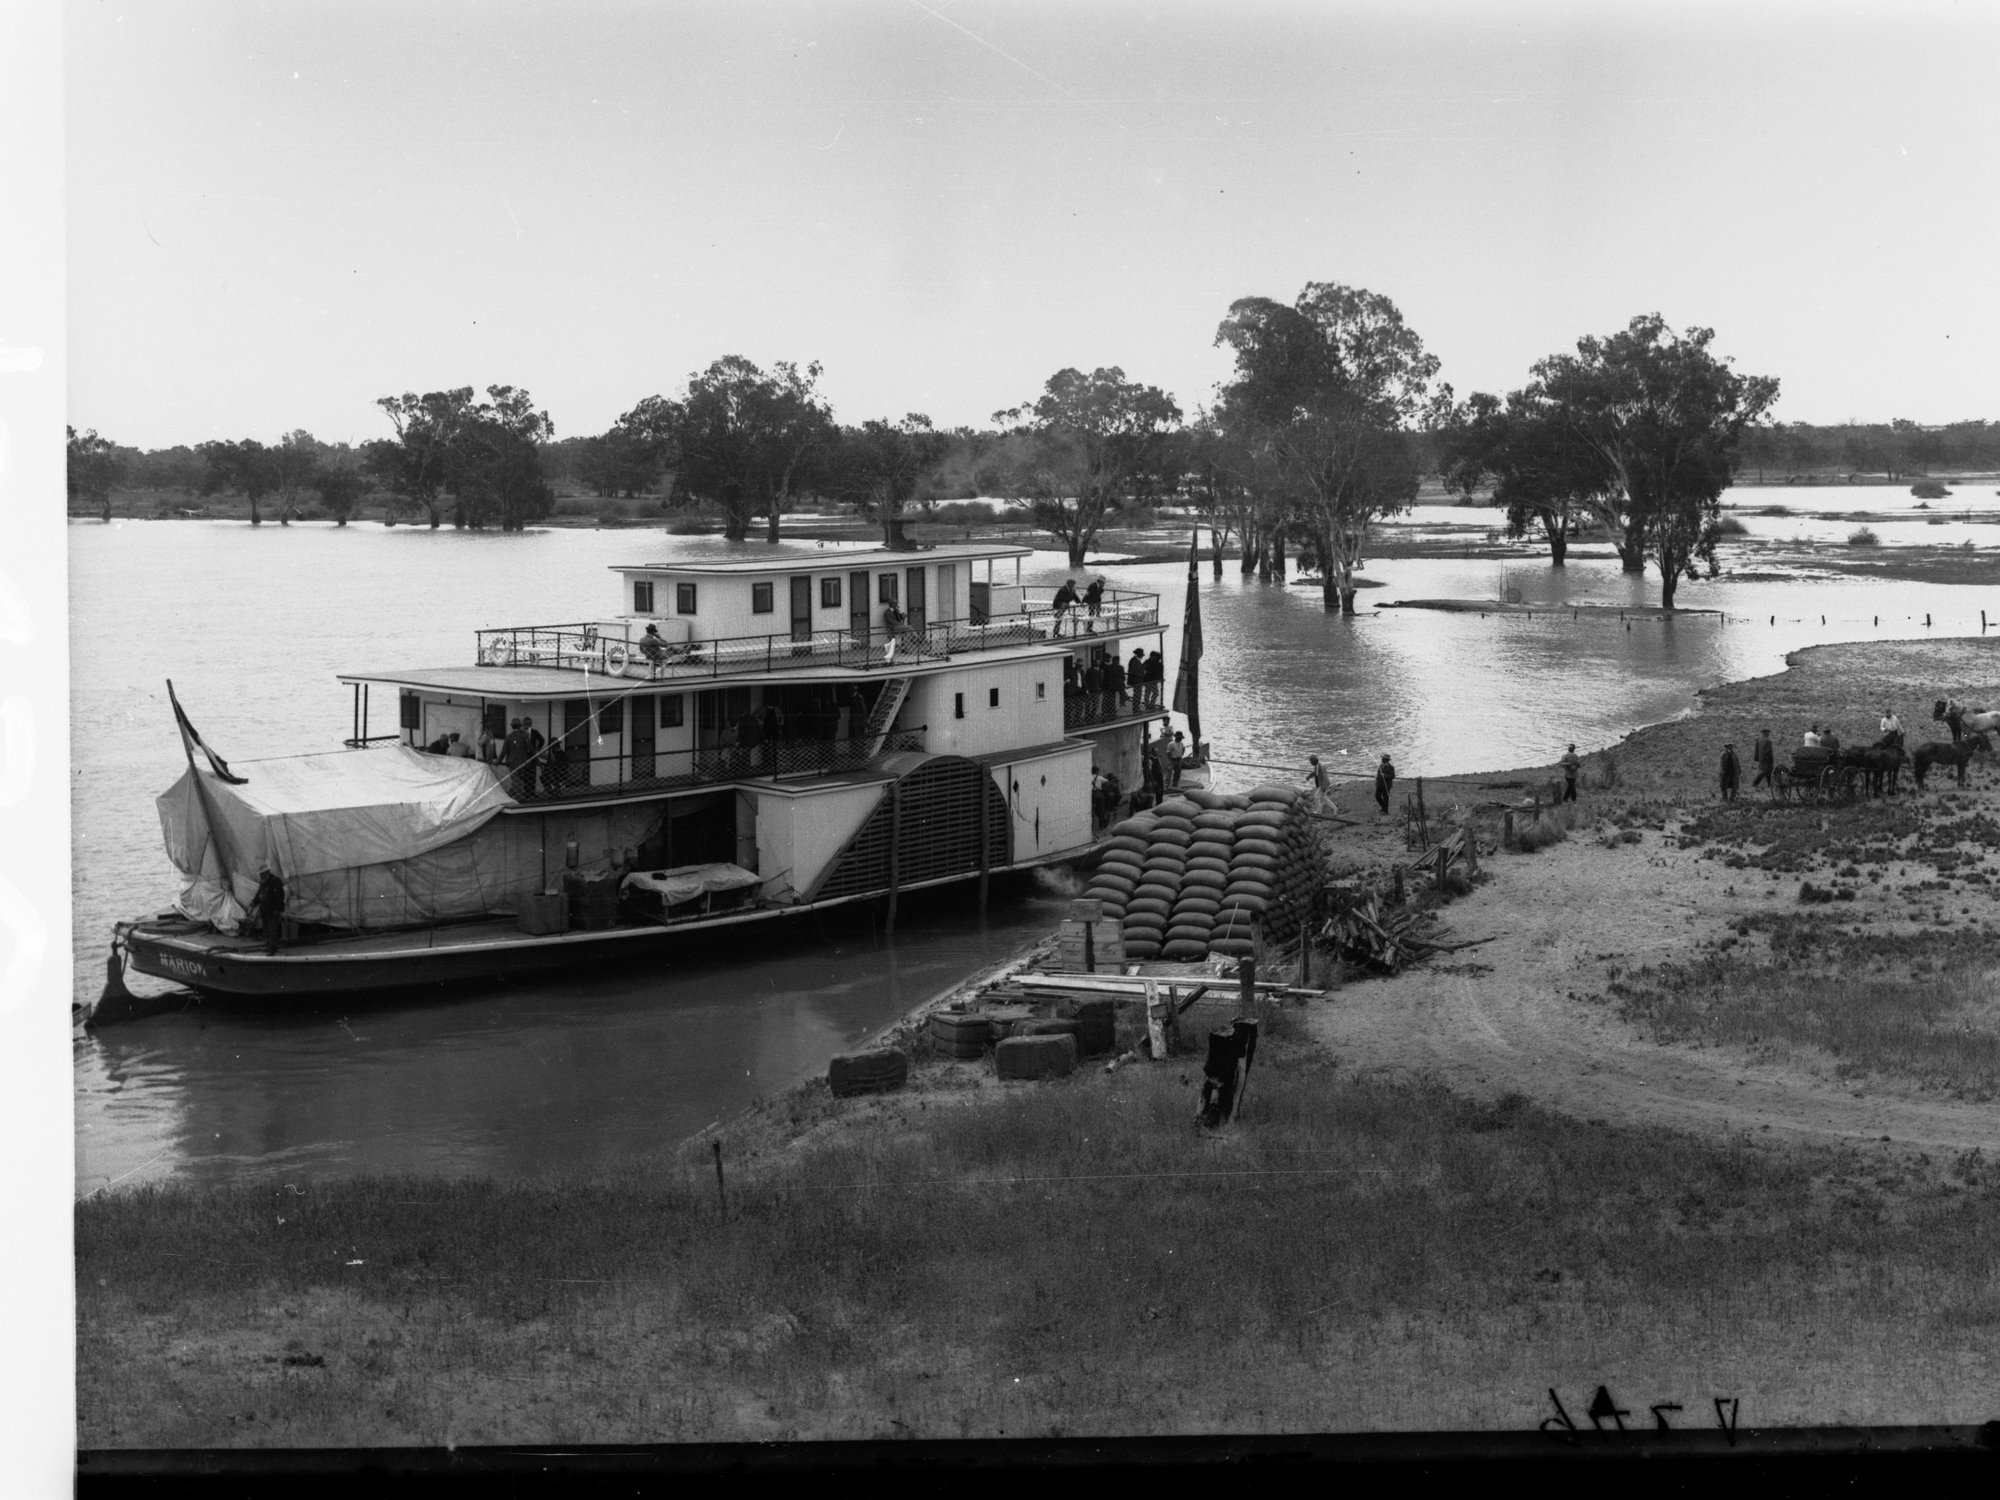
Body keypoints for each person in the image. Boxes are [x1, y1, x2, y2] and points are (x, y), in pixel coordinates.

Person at [246, 867, 286, 954]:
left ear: (267, 873)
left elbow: (280, 896)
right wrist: (254, 902)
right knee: (266, 930)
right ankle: (269, 946)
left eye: (262, 874)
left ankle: (272, 949)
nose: (261, 876)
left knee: (272, 930)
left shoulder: (276, 881)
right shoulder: (263, 882)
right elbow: (259, 893)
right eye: (260, 874)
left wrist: (277, 909)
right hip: (264, 910)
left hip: (272, 911)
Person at [1752, 729, 1775, 794]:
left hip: (1761, 758)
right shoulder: (1768, 741)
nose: (1768, 734)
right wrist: (1771, 760)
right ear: (1766, 733)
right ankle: (1755, 784)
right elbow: (1769, 752)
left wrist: (1756, 758)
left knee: (1766, 771)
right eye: (1768, 733)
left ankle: (1769, 784)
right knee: (1765, 771)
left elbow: (1756, 750)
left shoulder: (1759, 740)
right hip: (1766, 759)